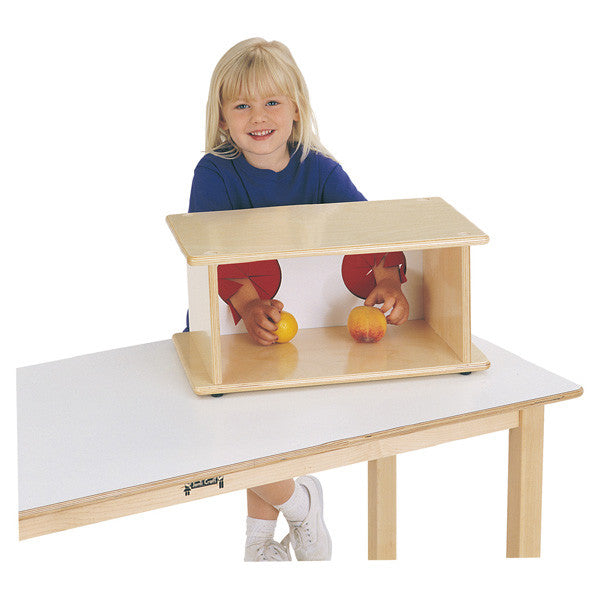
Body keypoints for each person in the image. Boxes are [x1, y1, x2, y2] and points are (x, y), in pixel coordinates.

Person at [187, 38, 409, 561]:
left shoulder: (320, 170)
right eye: (242, 105)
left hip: (304, 333)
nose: (258, 117)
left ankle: (260, 543)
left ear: (296, 109)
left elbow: (367, 229)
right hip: (231, 328)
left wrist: (389, 279)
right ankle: (301, 504)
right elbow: (210, 249)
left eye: (272, 102)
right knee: (234, 432)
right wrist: (247, 304)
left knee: (267, 430)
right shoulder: (214, 172)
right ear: (222, 117)